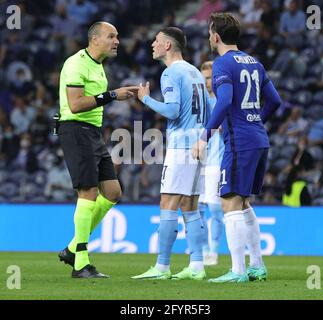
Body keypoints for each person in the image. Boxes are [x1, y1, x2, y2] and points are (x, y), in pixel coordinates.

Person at [192, 13, 282, 283]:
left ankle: (238, 271)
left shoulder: (222, 64)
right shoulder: (254, 62)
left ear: (216, 36)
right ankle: (257, 265)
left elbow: (224, 101)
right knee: (243, 203)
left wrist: (204, 136)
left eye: (210, 33)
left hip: (240, 142)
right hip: (258, 138)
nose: (209, 37)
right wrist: (254, 121)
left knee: (229, 201)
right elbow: (274, 101)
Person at [57, 21, 138, 278]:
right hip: (75, 129)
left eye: (117, 36)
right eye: (111, 36)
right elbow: (76, 104)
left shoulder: (98, 67)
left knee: (112, 192)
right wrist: (112, 95)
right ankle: (80, 262)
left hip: (92, 132)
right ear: (94, 40)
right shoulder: (76, 63)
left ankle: (72, 248)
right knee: (88, 191)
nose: (116, 41)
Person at [132, 27, 210, 280]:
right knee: (191, 205)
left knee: (168, 202)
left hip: (181, 147)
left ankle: (162, 266)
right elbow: (209, 108)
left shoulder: (171, 73)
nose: (152, 44)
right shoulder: (195, 72)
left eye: (156, 41)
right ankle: (197, 265)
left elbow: (173, 111)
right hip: (200, 145)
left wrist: (144, 98)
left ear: (167, 45)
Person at [198, 61, 224, 266]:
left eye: (209, 77)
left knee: (215, 209)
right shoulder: (197, 102)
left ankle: (213, 251)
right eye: (203, 77)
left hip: (216, 162)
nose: (206, 82)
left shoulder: (224, 102)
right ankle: (203, 250)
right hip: (197, 163)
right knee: (196, 209)